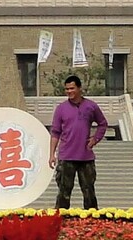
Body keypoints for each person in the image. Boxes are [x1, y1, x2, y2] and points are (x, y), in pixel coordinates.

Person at [50, 76, 106, 209]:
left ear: (79, 88)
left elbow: (102, 124)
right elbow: (55, 132)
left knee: (89, 191)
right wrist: (52, 154)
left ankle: (92, 221)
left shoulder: (91, 106)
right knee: (64, 191)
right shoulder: (61, 109)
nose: (69, 91)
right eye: (67, 89)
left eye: (72, 88)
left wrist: (95, 139)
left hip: (85, 156)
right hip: (66, 156)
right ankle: (61, 220)